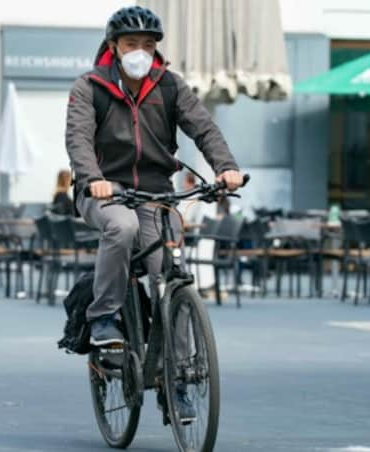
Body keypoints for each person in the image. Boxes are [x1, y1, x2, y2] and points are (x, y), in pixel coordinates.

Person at [66, 6, 242, 421]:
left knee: (169, 277)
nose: (140, 51)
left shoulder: (170, 86)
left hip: (155, 193)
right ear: (114, 47)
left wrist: (225, 166)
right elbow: (78, 139)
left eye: (148, 44)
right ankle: (105, 317)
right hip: (103, 192)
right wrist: (92, 177)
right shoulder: (89, 87)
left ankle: (177, 379)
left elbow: (204, 128)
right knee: (121, 226)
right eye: (132, 44)